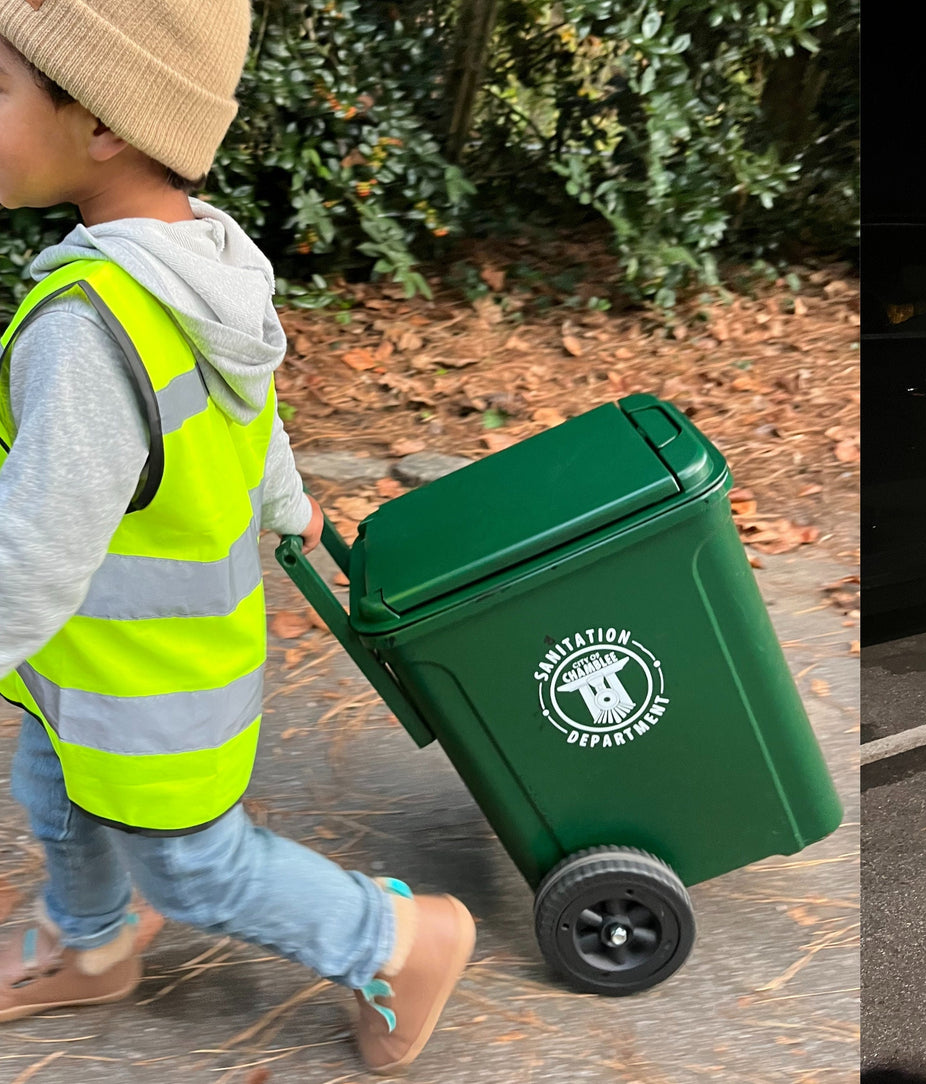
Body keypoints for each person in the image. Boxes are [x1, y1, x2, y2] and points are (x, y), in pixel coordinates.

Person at [0, 2, 473, 1073]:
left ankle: (398, 939)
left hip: (144, 687)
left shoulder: (89, 326)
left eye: (1, 88)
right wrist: (286, 497)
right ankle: (92, 941)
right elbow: (245, 405)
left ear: (106, 121)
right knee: (57, 792)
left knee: (194, 871)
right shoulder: (203, 264)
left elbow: (34, 548)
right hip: (106, 665)